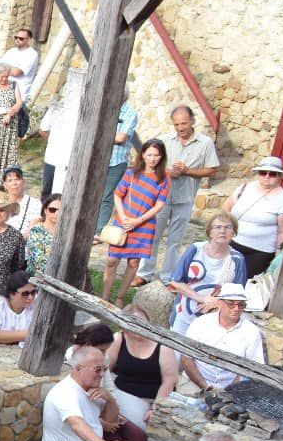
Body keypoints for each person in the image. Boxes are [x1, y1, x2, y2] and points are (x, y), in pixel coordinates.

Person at [139, 105, 221, 284]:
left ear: (192, 121)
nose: (180, 128)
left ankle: (168, 278)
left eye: (184, 123)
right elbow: (151, 165)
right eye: (176, 124)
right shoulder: (165, 141)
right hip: (161, 197)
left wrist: (187, 171)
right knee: (152, 235)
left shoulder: (205, 143)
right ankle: (144, 274)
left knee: (175, 241)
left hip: (185, 198)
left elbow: (212, 170)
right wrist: (168, 172)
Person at [103, 140, 170, 306]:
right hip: (124, 222)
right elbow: (118, 194)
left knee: (133, 263)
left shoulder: (164, 178)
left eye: (156, 155)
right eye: (149, 154)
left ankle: (120, 297)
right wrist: (123, 216)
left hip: (143, 225)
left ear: (161, 156)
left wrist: (137, 221)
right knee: (112, 261)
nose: (153, 158)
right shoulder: (131, 173)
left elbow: (159, 205)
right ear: (143, 155)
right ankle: (103, 297)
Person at [42, 346, 136, 441]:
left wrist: (110, 400)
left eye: (104, 369)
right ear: (78, 368)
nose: (102, 374)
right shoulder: (64, 392)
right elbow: (77, 424)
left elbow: (111, 421)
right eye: (97, 369)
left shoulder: (94, 388)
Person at [168, 211, 246, 335]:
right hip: (184, 313)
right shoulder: (195, 249)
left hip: (214, 317)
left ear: (233, 232)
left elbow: (237, 293)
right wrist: (203, 299)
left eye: (228, 227)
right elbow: (176, 281)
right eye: (218, 227)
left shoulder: (237, 259)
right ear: (209, 231)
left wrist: (216, 301)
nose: (223, 231)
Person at [181, 283, 265, 393]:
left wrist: (231, 391)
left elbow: (253, 367)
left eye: (241, 305)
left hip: (231, 387)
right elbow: (187, 358)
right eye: (231, 304)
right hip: (195, 381)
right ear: (220, 303)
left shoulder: (251, 331)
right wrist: (205, 387)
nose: (236, 308)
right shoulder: (200, 323)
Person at [221, 156, 283, 275]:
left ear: (279, 176)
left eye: (272, 174)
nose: (267, 176)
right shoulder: (244, 188)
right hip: (232, 243)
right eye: (263, 172)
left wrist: (277, 256)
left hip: (259, 252)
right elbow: (226, 209)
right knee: (220, 278)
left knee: (241, 285)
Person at [107, 306, 178, 428]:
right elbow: (105, 370)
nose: (139, 328)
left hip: (151, 401)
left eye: (142, 323)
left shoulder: (163, 347)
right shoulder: (118, 339)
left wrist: (155, 409)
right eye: (134, 324)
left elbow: (170, 381)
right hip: (121, 397)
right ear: (124, 327)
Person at [94, 99, 141, 230]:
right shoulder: (104, 106)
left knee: (106, 197)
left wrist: (98, 134)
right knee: (92, 194)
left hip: (116, 161)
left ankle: (98, 231)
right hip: (97, 159)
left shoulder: (130, 113)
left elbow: (121, 138)